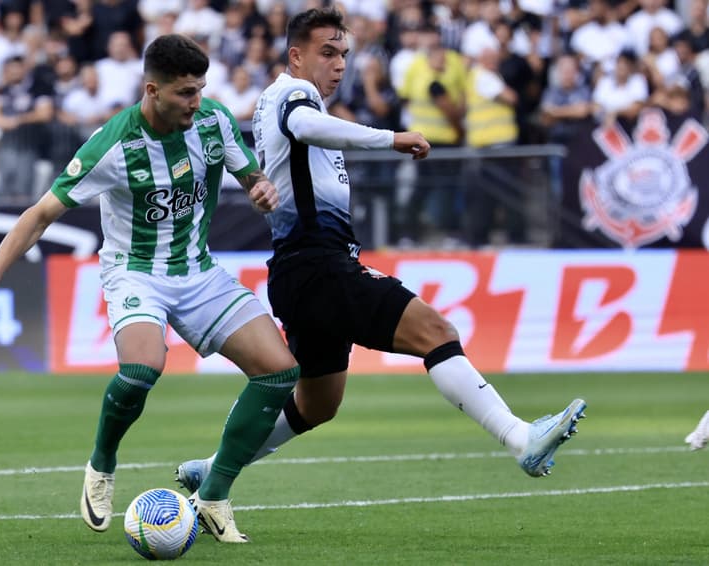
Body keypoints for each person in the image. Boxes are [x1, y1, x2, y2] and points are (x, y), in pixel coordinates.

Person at [177, 6, 586, 500]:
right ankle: (520, 438)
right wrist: (390, 138)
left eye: (344, 54)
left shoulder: (279, 101)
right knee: (436, 332)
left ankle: (218, 464)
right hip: (318, 265)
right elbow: (305, 125)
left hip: (300, 272)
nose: (340, 64)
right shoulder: (293, 93)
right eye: (328, 52)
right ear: (296, 55)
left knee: (318, 403)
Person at [0, 33, 299, 544]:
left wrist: (261, 188)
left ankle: (215, 491)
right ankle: (102, 464)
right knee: (142, 367)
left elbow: (251, 176)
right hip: (135, 271)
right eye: (185, 94)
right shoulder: (113, 144)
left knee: (280, 373)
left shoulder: (213, 121)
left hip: (198, 270)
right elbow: (39, 215)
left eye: (200, 89)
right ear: (152, 90)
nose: (197, 102)